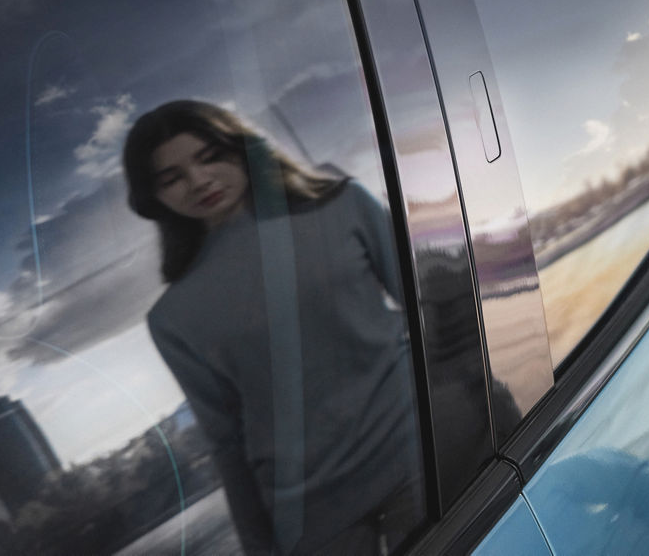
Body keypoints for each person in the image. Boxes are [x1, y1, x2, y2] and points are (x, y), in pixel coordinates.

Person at [122, 100, 423, 555]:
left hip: (422, 455)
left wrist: (487, 400)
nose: (199, 181)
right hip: (307, 516)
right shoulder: (170, 318)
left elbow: (432, 305)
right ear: (154, 198)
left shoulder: (341, 201)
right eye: (172, 178)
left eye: (210, 157)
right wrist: (259, 548)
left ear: (241, 148)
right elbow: (227, 444)